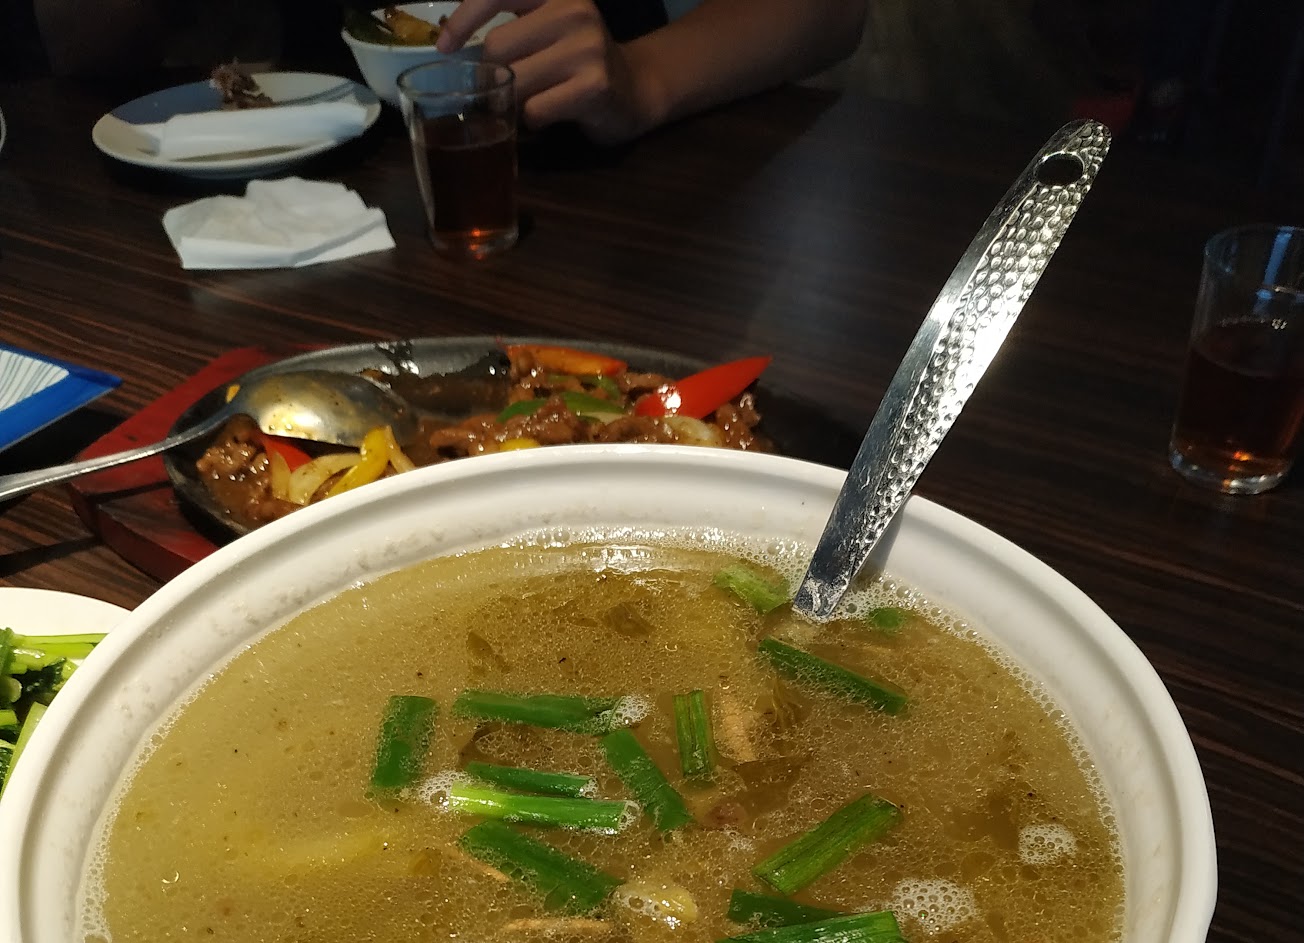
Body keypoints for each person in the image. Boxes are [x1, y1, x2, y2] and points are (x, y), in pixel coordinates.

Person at [15, 0, 866, 146]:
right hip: (314, 197)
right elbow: (82, 46)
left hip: (623, 212)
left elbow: (829, 12)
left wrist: (643, 78)